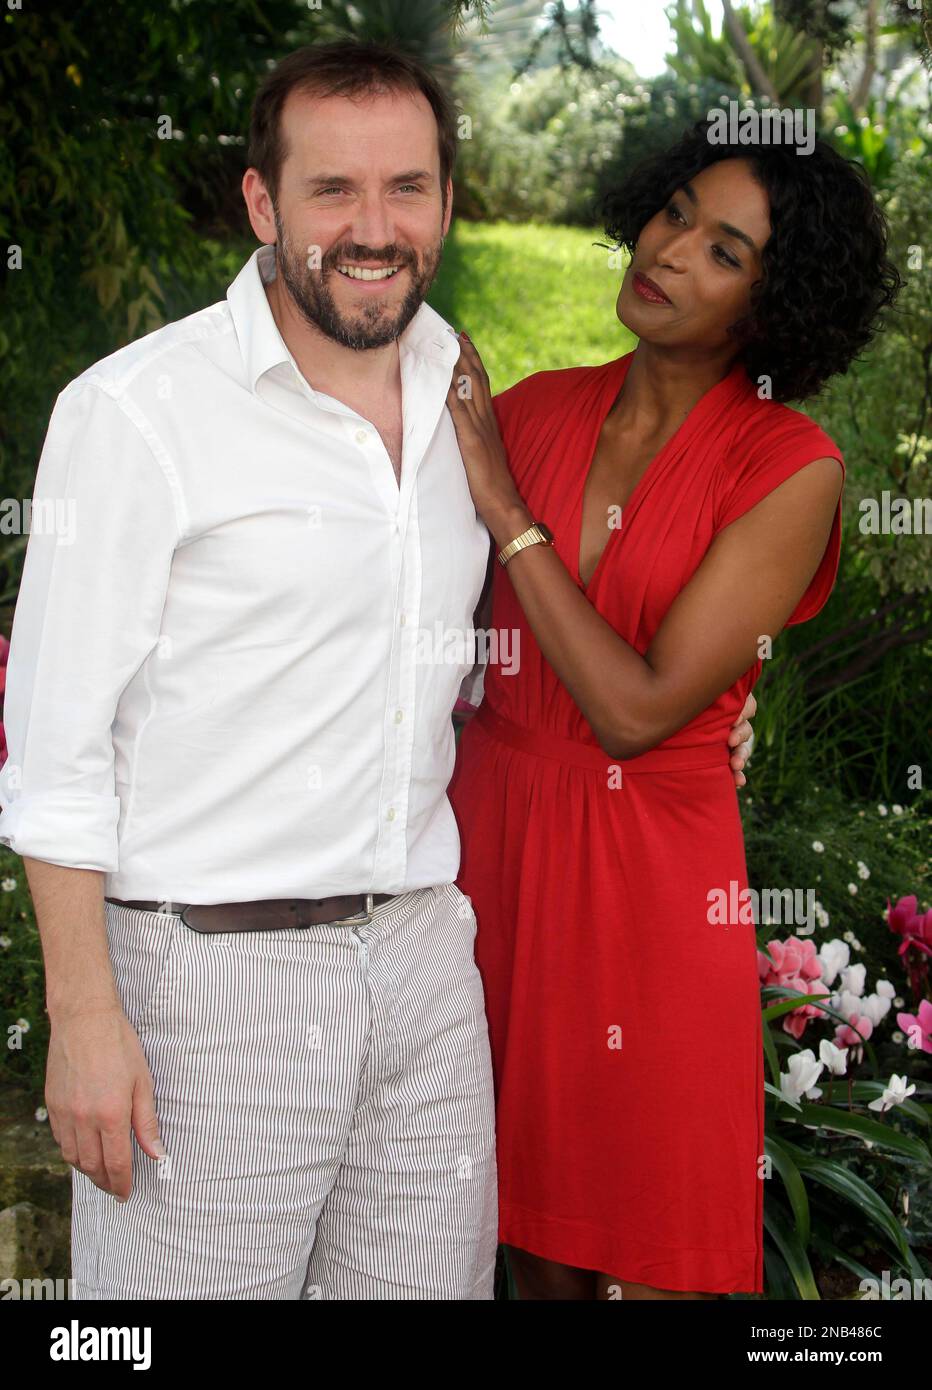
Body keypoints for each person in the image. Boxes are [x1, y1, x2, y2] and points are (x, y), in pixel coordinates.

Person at [0, 40, 754, 1302]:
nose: (372, 228)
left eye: (405, 188)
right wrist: (82, 1015)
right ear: (261, 202)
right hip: (208, 985)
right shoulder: (136, 414)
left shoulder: (461, 388)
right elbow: (55, 746)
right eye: (331, 190)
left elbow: (463, 647)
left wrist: (716, 717)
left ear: (448, 205)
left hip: (421, 973)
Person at [445, 122, 900, 1300]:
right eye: (675, 212)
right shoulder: (532, 408)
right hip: (485, 837)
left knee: (648, 1243)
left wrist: (503, 506)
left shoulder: (786, 468)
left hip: (648, 867)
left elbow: (637, 713)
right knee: (521, 1239)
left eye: (725, 250)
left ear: (774, 304)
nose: (669, 250)